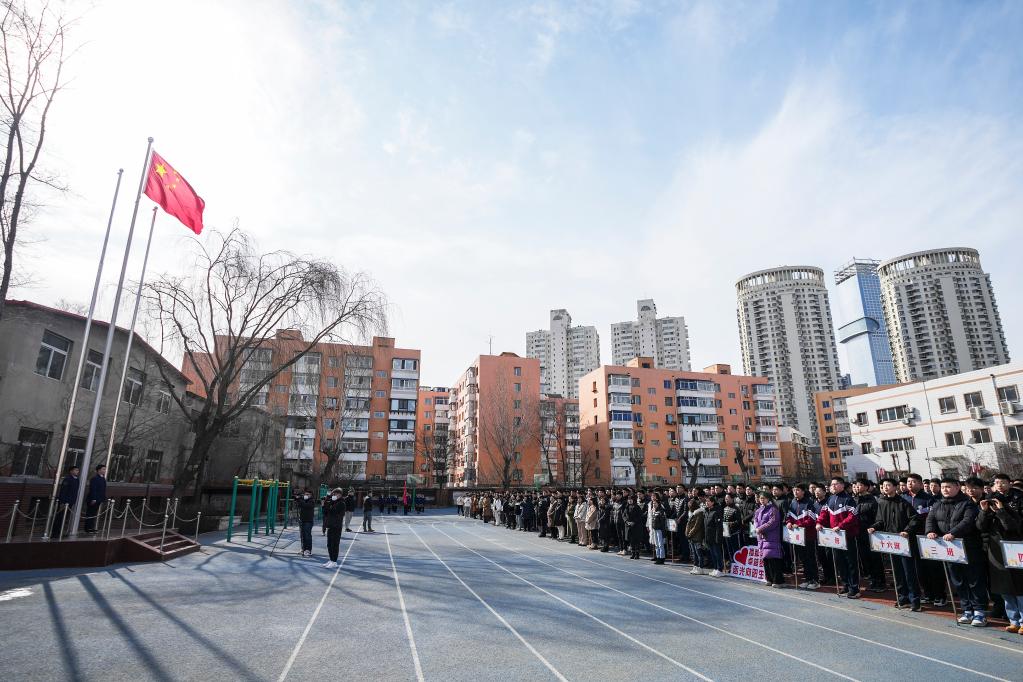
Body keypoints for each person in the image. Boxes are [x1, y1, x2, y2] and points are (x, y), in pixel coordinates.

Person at [926, 477, 988, 626]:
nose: (945, 490)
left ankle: (980, 612)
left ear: (957, 487)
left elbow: (968, 521)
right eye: (943, 487)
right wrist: (930, 531)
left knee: (974, 580)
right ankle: (967, 610)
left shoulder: (967, 504)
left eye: (948, 487)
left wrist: (953, 532)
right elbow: (930, 519)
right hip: (949, 550)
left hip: (968, 547)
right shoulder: (937, 504)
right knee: (958, 580)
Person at [979, 473, 1023, 634]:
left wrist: (1002, 510)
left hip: (1015, 545)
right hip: (996, 547)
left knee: (1019, 586)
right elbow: (980, 526)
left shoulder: (1018, 498)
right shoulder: (990, 499)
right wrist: (984, 511)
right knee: (1004, 586)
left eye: (1002, 482)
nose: (999, 485)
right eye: (996, 482)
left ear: (1010, 483)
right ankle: (1014, 620)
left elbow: (1014, 527)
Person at [869, 478, 922, 610]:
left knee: (909, 572)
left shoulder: (904, 502)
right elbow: (880, 520)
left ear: (895, 487)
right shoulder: (881, 502)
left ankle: (915, 600)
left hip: (903, 541)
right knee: (897, 572)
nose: (885, 487)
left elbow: (915, 519)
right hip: (890, 541)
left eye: (888, 485)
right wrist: (874, 527)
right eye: (883, 485)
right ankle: (902, 598)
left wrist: (907, 531)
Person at [817, 477, 861, 599]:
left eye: (835, 484)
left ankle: (854, 588)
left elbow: (853, 516)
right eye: (831, 484)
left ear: (842, 485)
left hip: (847, 536)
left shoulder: (848, 499)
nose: (833, 486)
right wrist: (819, 522)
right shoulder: (830, 499)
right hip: (834, 537)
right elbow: (824, 513)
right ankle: (845, 585)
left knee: (851, 562)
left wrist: (841, 526)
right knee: (839, 562)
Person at [853, 479, 886, 592]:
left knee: (875, 558)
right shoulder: (855, 500)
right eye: (856, 485)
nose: (857, 487)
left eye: (860, 485)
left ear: (867, 487)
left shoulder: (873, 500)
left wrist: (874, 527)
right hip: (859, 533)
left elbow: (878, 517)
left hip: (872, 533)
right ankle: (872, 579)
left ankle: (880, 582)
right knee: (865, 558)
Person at [787, 483, 820, 590]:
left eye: (797, 490)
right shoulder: (792, 503)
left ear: (803, 491)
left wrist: (799, 525)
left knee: (811, 558)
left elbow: (811, 520)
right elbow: (789, 516)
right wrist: (788, 522)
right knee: (803, 559)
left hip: (808, 536)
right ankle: (807, 579)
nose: (795, 492)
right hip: (797, 537)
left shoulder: (809, 503)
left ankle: (815, 580)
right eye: (794, 490)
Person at [756, 491, 785, 587]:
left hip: (772, 537)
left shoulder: (773, 509)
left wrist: (760, 529)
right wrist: (758, 528)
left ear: (768, 499)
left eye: (763, 498)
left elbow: (772, 522)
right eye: (760, 498)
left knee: (774, 559)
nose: (762, 500)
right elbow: (755, 520)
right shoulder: (759, 510)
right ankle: (769, 579)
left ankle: (778, 581)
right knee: (766, 560)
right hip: (762, 537)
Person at [52, 465, 80, 538]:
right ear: (71, 471)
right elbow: (63, 491)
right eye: (75, 470)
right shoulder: (67, 479)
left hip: (71, 501)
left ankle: (61, 531)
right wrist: (62, 502)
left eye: (77, 470)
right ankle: (55, 533)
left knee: (65, 518)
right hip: (65, 501)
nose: (77, 471)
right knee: (60, 517)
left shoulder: (77, 480)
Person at [321, 489, 345, 568]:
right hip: (330, 525)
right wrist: (324, 504)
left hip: (336, 526)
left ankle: (334, 561)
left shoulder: (341, 503)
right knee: (329, 544)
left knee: (334, 544)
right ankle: (331, 559)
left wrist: (328, 504)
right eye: (333, 494)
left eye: (336, 494)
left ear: (340, 495)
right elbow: (325, 512)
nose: (334, 495)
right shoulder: (332, 502)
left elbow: (332, 511)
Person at [703, 495, 724, 576]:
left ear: (712, 502)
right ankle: (715, 568)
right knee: (712, 554)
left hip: (715, 537)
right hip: (708, 537)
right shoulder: (706, 511)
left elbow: (719, 527)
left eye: (708, 501)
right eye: (706, 501)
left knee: (717, 553)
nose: (707, 503)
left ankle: (720, 569)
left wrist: (717, 538)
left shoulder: (716, 512)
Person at [84, 464, 107, 533]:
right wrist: (93, 498)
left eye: (105, 469)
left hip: (99, 499)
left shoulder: (103, 478)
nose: (104, 470)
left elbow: (103, 490)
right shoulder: (94, 478)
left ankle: (91, 527)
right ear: (99, 470)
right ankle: (88, 528)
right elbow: (93, 489)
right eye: (103, 469)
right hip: (93, 499)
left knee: (94, 514)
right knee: (90, 513)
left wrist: (103, 498)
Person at [685, 498, 706, 574]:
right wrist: (687, 533)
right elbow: (688, 524)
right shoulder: (691, 513)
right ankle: (695, 566)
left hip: (697, 536)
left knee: (698, 553)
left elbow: (697, 526)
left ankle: (701, 567)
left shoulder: (699, 513)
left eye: (690, 505)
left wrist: (690, 533)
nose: (689, 506)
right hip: (691, 536)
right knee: (693, 553)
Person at [295, 489, 316, 557]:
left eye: (308, 494)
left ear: (311, 495)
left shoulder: (311, 501)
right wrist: (297, 499)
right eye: (305, 494)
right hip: (302, 520)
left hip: (308, 521)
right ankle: (303, 549)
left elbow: (306, 506)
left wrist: (300, 499)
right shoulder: (303, 500)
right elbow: (299, 505)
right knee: (302, 535)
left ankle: (308, 550)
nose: (306, 495)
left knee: (307, 535)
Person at [648, 497, 667, 565]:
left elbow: (663, 522)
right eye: (653, 503)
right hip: (654, 529)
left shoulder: (661, 511)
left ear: (658, 504)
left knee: (660, 544)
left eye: (655, 503)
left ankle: (662, 558)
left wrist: (663, 531)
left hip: (660, 530)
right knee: (656, 544)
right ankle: (658, 557)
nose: (654, 504)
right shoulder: (653, 510)